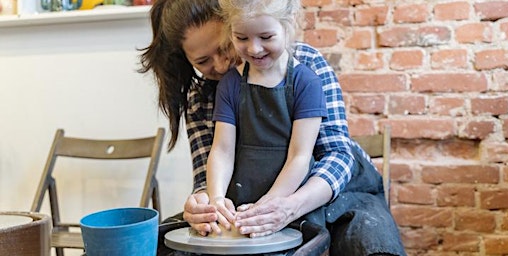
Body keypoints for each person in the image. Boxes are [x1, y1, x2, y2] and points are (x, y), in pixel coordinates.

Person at [139, 0, 406, 255]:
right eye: (202, 61)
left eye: (222, 48)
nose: (219, 66)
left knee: (365, 236)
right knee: (161, 241)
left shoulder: (304, 65)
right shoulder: (202, 98)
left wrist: (289, 206)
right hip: (252, 200)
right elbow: (210, 169)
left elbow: (337, 155)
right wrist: (203, 204)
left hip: (331, 188)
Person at [206, 0, 326, 235]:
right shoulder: (230, 84)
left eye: (266, 37)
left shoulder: (307, 82)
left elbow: (299, 157)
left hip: (288, 205)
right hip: (242, 202)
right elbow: (222, 150)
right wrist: (217, 197)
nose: (254, 49)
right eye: (241, 38)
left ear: (288, 26)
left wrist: (269, 205)